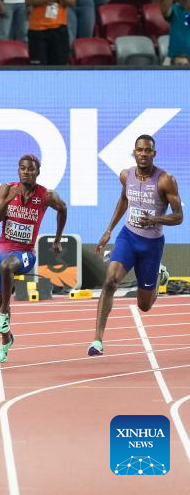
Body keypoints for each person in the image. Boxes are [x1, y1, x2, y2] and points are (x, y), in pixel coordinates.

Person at [89, 135, 183, 356]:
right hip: (128, 237)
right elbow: (124, 200)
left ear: (153, 154)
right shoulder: (126, 175)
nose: (143, 154)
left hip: (151, 245)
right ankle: (97, 340)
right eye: (139, 150)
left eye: (147, 150)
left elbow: (179, 216)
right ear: (134, 152)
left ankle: (159, 274)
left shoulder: (166, 180)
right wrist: (109, 230)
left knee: (144, 306)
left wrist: (156, 219)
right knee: (110, 281)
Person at [0, 153, 67, 362]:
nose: (26, 172)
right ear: (18, 170)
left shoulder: (46, 196)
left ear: (37, 172)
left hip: (26, 254)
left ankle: (5, 312)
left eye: (31, 169)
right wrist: (7, 200)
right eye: (23, 168)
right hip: (2, 249)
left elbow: (63, 208)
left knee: (7, 268)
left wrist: (57, 239)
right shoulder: (6, 189)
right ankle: (6, 340)